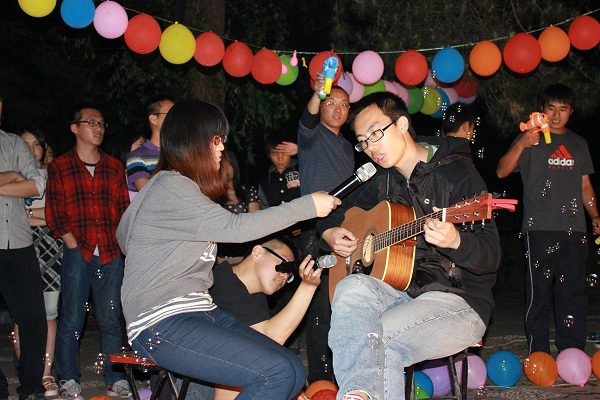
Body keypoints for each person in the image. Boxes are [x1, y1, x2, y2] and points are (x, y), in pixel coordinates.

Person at [116, 100, 340, 400]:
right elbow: (237, 228)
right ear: (193, 139)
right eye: (216, 139)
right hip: (162, 321)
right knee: (278, 373)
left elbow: (124, 234)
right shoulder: (173, 186)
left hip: (200, 311)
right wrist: (308, 205)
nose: (222, 147)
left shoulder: (173, 189)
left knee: (293, 370)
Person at [318, 92, 501, 400]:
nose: (371, 147)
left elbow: (492, 257)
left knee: (377, 337)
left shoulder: (458, 175)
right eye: (363, 142)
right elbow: (332, 211)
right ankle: (359, 393)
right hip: (404, 294)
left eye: (375, 133)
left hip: (460, 302)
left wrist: (457, 242)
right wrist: (330, 232)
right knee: (349, 288)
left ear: (402, 124)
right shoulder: (383, 181)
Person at [496, 84, 600, 355]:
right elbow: (501, 171)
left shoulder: (579, 144)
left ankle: (572, 351)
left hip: (575, 230)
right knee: (539, 294)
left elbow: (585, 185)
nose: (556, 115)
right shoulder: (530, 139)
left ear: (571, 111)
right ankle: (539, 352)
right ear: (541, 110)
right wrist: (521, 143)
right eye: (551, 108)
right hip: (539, 228)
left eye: (563, 109)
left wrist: (594, 214)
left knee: (573, 294)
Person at [45, 100, 131, 400]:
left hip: (110, 252)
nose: (99, 128)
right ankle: (68, 379)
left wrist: (121, 246)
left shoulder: (114, 166)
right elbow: (54, 211)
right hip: (77, 251)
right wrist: (70, 241)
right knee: (72, 319)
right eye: (91, 122)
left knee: (111, 318)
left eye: (102, 124)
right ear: (74, 128)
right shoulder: (59, 166)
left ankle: (115, 377)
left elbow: (124, 210)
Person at [182, 236, 321, 400]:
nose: (284, 276)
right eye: (284, 265)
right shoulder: (220, 281)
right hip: (191, 383)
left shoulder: (256, 297)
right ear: (257, 253)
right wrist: (308, 286)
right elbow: (271, 338)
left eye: (289, 274)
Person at [297, 78, 355, 383]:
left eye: (344, 105)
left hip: (346, 227)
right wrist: (318, 94)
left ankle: (346, 371)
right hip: (316, 229)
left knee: (344, 302)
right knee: (320, 305)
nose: (338, 109)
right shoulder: (312, 136)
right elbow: (307, 120)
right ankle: (320, 378)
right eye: (331, 103)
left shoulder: (347, 146)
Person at [13, 126, 62, 397]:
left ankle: (45, 373)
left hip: (51, 250)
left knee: (49, 314)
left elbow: (59, 215)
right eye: (25, 144)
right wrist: (41, 215)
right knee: (23, 315)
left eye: (36, 144)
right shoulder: (10, 176)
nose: (31, 149)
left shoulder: (54, 176)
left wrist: (30, 214)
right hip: (18, 247)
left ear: (44, 148)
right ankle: (28, 371)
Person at [1, 125, 47, 400]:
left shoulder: (15, 143)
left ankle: (31, 387)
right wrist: (12, 176)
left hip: (19, 241)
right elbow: (24, 182)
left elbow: (37, 185)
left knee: (34, 320)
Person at [216, 149, 261, 262]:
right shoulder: (210, 198)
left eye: (226, 164)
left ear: (234, 166)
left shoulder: (248, 192)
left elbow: (255, 225)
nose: (224, 169)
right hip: (219, 260)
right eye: (220, 164)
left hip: (246, 258)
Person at [126, 95, 175, 195]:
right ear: (153, 119)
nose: (176, 119)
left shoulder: (181, 151)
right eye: (170, 114)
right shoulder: (136, 156)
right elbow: (146, 192)